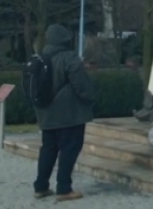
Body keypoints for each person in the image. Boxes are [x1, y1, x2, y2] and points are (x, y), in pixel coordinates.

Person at [33, 24, 95, 202]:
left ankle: (41, 186)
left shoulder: (40, 59)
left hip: (46, 114)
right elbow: (81, 86)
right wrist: (91, 98)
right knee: (69, 150)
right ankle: (64, 188)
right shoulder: (69, 58)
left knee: (48, 150)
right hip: (70, 115)